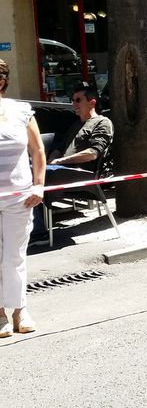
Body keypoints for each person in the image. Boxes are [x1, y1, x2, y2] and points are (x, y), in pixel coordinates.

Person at [34, 81, 114, 240]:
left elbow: (93, 153)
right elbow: (59, 146)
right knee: (27, 173)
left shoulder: (103, 123)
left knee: (31, 176)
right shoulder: (75, 124)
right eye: (72, 100)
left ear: (92, 102)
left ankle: (38, 233)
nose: (73, 104)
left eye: (78, 100)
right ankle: (32, 228)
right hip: (60, 170)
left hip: (82, 173)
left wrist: (60, 162)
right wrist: (52, 159)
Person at [0, 59, 46, 337]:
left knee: (14, 255)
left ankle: (19, 310)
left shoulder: (21, 111)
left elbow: (38, 150)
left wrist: (38, 186)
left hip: (19, 195)